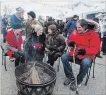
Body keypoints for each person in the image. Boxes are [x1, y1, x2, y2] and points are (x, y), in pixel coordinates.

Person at [61, 19, 100, 91]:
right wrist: (70, 43)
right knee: (64, 57)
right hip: (75, 52)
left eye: (79, 27)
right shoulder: (75, 32)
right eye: (77, 27)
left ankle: (78, 81)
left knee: (86, 63)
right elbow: (69, 39)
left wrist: (85, 51)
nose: (77, 29)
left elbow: (96, 49)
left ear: (85, 27)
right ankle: (70, 77)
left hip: (87, 55)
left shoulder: (93, 35)